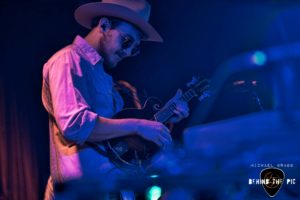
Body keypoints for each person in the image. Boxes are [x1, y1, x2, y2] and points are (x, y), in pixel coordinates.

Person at [42, 0, 189, 199]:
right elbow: (75, 125)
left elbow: (117, 141)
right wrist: (138, 125)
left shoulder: (107, 81)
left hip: (112, 190)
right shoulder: (67, 60)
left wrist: (163, 120)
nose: (128, 52)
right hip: (83, 192)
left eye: (135, 48)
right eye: (126, 41)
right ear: (104, 25)